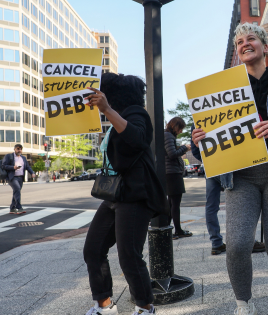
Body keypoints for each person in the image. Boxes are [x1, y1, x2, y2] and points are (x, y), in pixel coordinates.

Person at [192, 23, 268, 315]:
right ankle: (242, 304)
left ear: (265, 46)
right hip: (241, 176)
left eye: (250, 39)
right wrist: (198, 141)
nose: (244, 44)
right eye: (239, 42)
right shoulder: (223, 91)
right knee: (236, 244)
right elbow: (208, 145)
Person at [82, 73, 168, 315]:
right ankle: (104, 305)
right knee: (93, 249)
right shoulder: (115, 117)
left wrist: (107, 109)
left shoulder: (136, 114)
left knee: (129, 255)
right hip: (115, 194)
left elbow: (138, 139)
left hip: (136, 195)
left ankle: (145, 306)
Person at [190, 124, 266, 256]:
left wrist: (210, 158)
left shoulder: (199, 120)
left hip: (211, 167)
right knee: (239, 202)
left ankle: (216, 243)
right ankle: (248, 241)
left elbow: (196, 151)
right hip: (229, 166)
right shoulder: (229, 111)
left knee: (211, 206)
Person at [164, 117, 193, 240]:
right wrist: (185, 148)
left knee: (171, 203)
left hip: (169, 173)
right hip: (172, 173)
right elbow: (172, 154)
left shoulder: (167, 135)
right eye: (180, 128)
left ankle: (166, 228)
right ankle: (178, 231)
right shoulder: (168, 136)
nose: (181, 131)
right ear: (175, 126)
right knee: (175, 204)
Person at [2, 144, 36, 214]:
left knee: (16, 192)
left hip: (20, 178)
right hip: (12, 177)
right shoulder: (9, 156)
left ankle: (12, 208)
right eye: (18, 149)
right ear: (14, 149)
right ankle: (19, 207)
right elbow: (3, 166)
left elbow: (27, 167)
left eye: (20, 149)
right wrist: (13, 167)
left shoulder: (23, 158)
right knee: (17, 189)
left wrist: (32, 172)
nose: (19, 150)